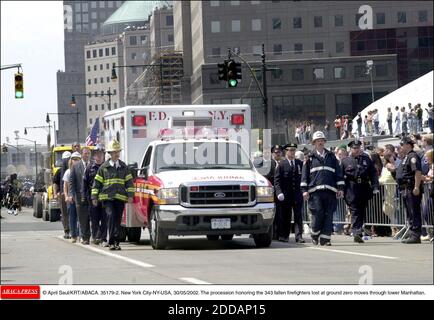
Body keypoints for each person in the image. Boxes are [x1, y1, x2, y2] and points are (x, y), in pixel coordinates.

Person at [301, 131, 344, 246]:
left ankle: (326, 239)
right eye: (317, 141)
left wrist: (340, 188)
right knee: (318, 213)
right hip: (315, 192)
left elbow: (338, 174)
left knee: (329, 215)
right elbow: (304, 176)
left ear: (324, 142)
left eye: (322, 140)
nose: (320, 142)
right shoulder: (309, 158)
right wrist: (304, 191)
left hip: (330, 191)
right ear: (314, 143)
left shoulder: (331, 157)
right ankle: (315, 235)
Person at [91, 140, 134, 251]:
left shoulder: (124, 167)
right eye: (114, 152)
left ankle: (116, 242)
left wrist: (130, 195)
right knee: (110, 217)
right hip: (107, 198)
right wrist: (94, 197)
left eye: (118, 151)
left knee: (118, 220)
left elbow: (129, 183)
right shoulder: (103, 168)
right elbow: (97, 184)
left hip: (120, 198)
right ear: (109, 153)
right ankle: (111, 242)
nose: (116, 154)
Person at [341, 140, 380, 243]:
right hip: (351, 187)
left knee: (361, 209)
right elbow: (340, 177)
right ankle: (357, 231)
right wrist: (340, 189)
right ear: (351, 149)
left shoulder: (366, 159)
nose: (357, 150)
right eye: (355, 148)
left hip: (363, 187)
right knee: (354, 209)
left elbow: (373, 173)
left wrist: (375, 186)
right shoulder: (345, 161)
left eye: (358, 148)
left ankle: (358, 230)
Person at [274, 143, 305, 243]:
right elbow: (277, 181)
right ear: (286, 151)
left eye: (293, 150)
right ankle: (284, 235)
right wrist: (279, 192)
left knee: (298, 216)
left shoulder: (299, 163)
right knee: (286, 216)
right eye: (290, 150)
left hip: (297, 194)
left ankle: (299, 236)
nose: (292, 152)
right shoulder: (281, 164)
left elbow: (303, 179)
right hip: (286, 195)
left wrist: (304, 191)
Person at [395, 137, 423, 244]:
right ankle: (412, 234)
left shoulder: (413, 156)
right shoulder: (405, 157)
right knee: (410, 212)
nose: (401, 147)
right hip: (405, 188)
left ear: (408, 145)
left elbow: (417, 172)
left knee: (414, 211)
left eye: (402, 144)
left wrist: (416, 186)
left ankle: (416, 235)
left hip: (411, 188)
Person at [82, 144, 108, 246]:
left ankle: (103, 237)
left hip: (105, 197)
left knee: (105, 219)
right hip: (92, 198)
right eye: (97, 154)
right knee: (94, 219)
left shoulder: (107, 167)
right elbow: (84, 183)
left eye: (101, 154)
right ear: (94, 156)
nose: (99, 156)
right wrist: (84, 196)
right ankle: (96, 236)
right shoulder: (89, 168)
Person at [70, 146, 91, 245]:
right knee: (82, 218)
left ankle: (92, 235)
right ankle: (84, 236)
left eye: (88, 153)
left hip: (91, 196)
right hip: (79, 196)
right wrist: (72, 195)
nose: (86, 155)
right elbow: (72, 182)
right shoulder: (76, 166)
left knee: (91, 217)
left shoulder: (93, 165)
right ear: (81, 154)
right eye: (85, 153)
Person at [265, 145, 283, 239]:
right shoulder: (268, 164)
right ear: (272, 153)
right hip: (271, 193)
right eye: (276, 152)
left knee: (280, 214)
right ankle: (271, 233)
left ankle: (279, 233)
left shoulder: (284, 163)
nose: (278, 154)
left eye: (279, 152)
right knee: (271, 214)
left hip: (280, 193)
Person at [63, 152, 82, 243]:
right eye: (74, 159)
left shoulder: (82, 169)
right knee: (72, 217)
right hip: (71, 198)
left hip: (79, 197)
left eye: (77, 159)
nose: (75, 161)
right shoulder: (68, 171)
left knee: (81, 217)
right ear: (71, 160)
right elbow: (65, 185)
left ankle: (81, 235)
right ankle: (73, 235)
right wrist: (67, 196)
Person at [53, 151, 71, 239]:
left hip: (72, 195)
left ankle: (74, 230)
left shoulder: (73, 170)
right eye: (65, 159)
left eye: (68, 159)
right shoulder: (59, 171)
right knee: (64, 213)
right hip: (62, 195)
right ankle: (66, 230)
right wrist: (56, 193)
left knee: (72, 213)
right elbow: (55, 183)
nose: (67, 161)